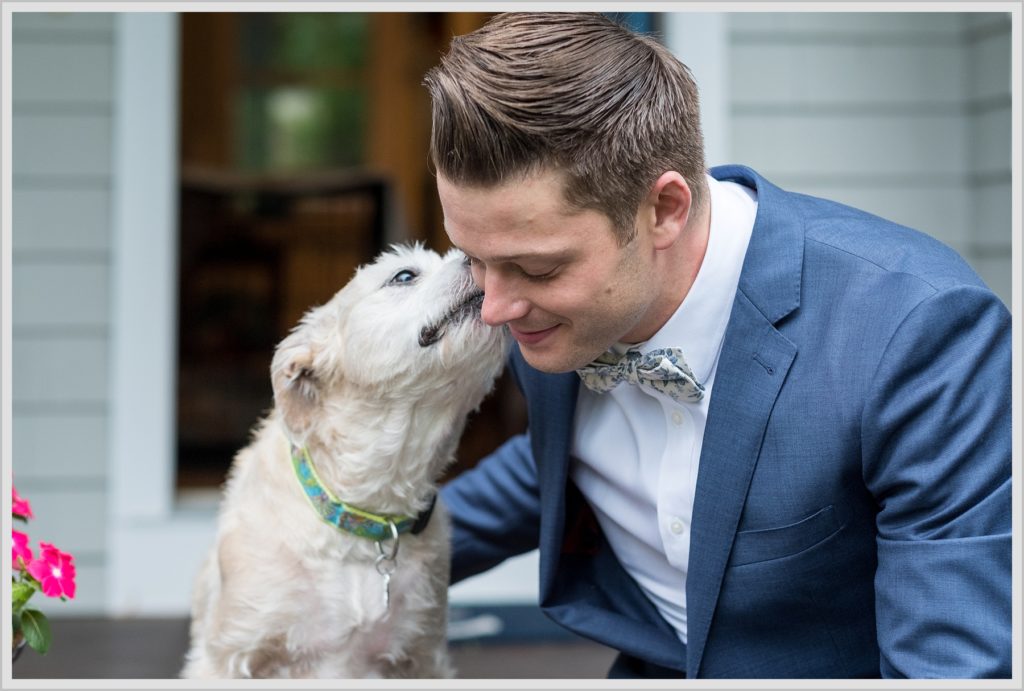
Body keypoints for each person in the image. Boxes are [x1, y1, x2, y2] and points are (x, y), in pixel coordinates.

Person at [424, 12, 1012, 679]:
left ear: (664, 210)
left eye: (537, 269)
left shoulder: (915, 332)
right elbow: (563, 463)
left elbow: (952, 667)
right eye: (472, 257)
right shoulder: (555, 310)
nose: (495, 308)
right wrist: (346, 539)